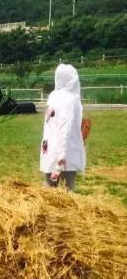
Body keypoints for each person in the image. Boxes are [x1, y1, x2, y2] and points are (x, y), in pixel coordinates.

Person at [40, 63, 86, 191]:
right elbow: (64, 127)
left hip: (48, 149)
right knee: (68, 190)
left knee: (50, 190)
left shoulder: (53, 96)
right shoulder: (71, 99)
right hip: (66, 152)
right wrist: (61, 155)